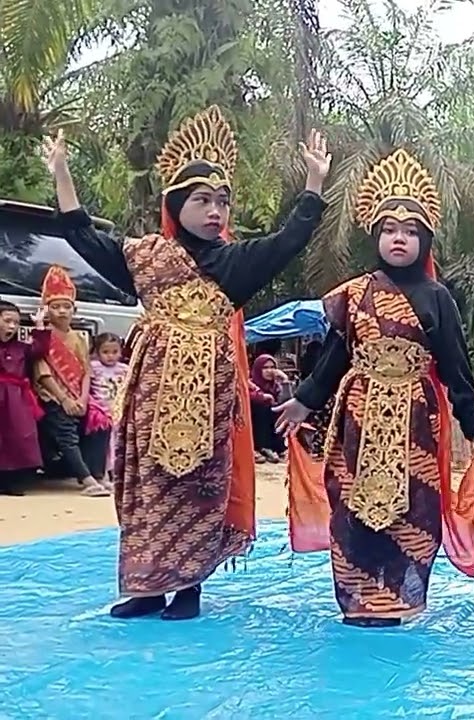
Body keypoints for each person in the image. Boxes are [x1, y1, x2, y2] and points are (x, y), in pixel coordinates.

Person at [42, 106, 331, 620]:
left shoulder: (236, 263)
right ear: (177, 205)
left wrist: (312, 184)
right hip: (151, 390)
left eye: (222, 201)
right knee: (146, 482)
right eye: (202, 200)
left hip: (209, 393)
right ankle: (148, 587)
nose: (215, 210)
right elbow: (83, 237)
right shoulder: (146, 256)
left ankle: (189, 588)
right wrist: (62, 173)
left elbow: (289, 241)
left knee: (198, 483)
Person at [274, 148, 474, 628]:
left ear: (426, 240)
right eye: (391, 230)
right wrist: (304, 400)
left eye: (411, 231)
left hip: (414, 421)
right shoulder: (354, 294)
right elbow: (336, 357)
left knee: (412, 506)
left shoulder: (437, 299)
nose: (400, 238)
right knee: (351, 502)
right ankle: (357, 599)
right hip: (357, 418)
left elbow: (456, 366)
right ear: (376, 236)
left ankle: (398, 598)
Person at [32, 266, 112, 497]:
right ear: (46, 310)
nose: (62, 311)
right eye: (55, 307)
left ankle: (97, 474)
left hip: (79, 396)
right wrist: (65, 399)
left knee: (101, 422)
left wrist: (84, 399)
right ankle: (86, 480)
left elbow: (86, 371)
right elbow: (43, 373)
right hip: (54, 397)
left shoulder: (78, 337)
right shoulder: (43, 337)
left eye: (66, 307)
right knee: (65, 432)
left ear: (74, 310)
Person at [0, 302, 50, 496]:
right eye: (7, 321)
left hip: (15, 399)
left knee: (19, 437)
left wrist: (39, 326)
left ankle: (14, 481)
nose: (12, 326)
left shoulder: (20, 348)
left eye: (15, 322)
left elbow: (40, 349)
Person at [88, 332, 129, 485]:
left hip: (119, 411)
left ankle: (118, 473)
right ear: (97, 352)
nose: (110, 356)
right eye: (105, 352)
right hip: (101, 412)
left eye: (115, 352)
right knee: (106, 445)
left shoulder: (124, 369)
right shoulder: (94, 367)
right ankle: (103, 474)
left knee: (118, 443)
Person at [249, 354, 288, 463]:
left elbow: (287, 401)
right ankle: (261, 447)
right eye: (265, 368)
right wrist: (263, 397)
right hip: (255, 427)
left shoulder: (276, 386)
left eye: (272, 367)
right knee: (263, 407)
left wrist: (285, 380)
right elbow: (247, 395)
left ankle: (279, 448)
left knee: (281, 410)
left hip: (272, 430)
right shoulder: (251, 384)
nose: (269, 371)